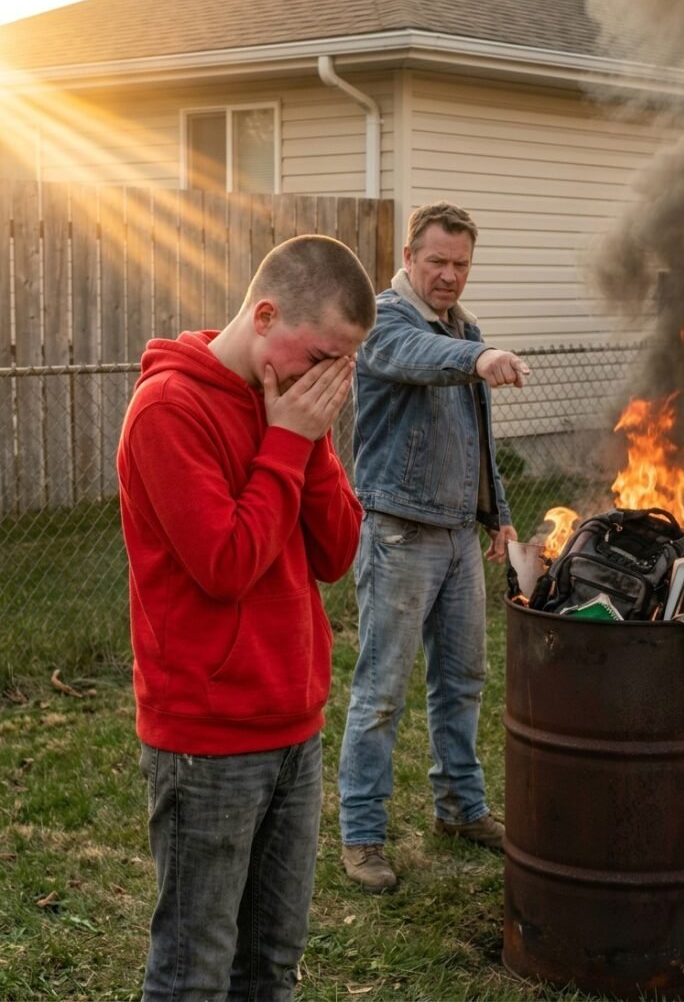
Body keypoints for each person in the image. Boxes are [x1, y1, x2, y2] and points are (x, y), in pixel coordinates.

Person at [117, 235, 376, 1001]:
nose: (329, 379)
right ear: (265, 316)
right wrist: (288, 441)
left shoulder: (290, 407)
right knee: (192, 972)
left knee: (270, 966)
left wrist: (309, 441)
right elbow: (226, 563)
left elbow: (337, 550)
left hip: (294, 725)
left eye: (344, 364)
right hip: (209, 742)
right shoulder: (169, 409)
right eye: (322, 356)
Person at [337, 201, 530, 893]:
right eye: (438, 261)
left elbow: (476, 438)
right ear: (410, 257)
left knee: (463, 680)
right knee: (381, 691)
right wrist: (480, 357)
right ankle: (362, 834)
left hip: (455, 536)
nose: (449, 274)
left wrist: (496, 516)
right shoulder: (385, 321)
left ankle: (460, 808)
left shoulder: (463, 329)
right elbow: (424, 361)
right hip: (399, 533)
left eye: (461, 264)